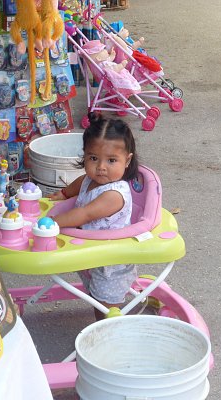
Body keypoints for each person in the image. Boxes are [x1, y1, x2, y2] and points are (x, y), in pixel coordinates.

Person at [49, 113, 139, 320]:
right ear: (85, 155)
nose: (101, 167)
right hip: (90, 250)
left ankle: (106, 333)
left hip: (111, 260)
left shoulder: (114, 195)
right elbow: (80, 183)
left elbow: (85, 213)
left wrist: (52, 223)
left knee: (103, 306)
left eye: (112, 160)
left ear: (127, 161)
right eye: (93, 158)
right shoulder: (91, 179)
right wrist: (63, 194)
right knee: (92, 288)